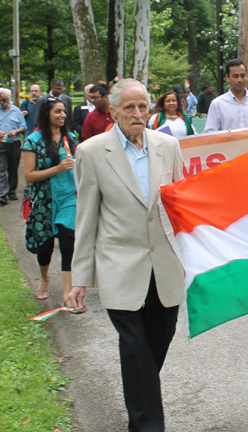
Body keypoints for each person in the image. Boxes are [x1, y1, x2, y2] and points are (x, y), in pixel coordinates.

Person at [68, 78, 185, 431]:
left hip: (164, 264)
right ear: (113, 110)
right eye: (129, 108)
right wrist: (80, 279)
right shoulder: (91, 152)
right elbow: (86, 218)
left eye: (143, 107)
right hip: (120, 265)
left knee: (157, 342)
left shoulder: (169, 145)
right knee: (134, 345)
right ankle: (147, 425)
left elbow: (180, 208)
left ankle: (142, 400)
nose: (137, 114)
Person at [21, 97, 82, 309]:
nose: (63, 115)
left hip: (69, 198)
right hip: (44, 200)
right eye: (57, 111)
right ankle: (45, 279)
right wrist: (58, 168)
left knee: (68, 243)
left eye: (64, 111)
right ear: (46, 113)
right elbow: (29, 176)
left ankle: (67, 294)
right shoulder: (32, 141)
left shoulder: (71, 138)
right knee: (45, 248)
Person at [204, 59, 248, 132]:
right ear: (227, 77)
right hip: (228, 143)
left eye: (242, 76)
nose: (240, 80)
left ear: (246, 76)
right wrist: (221, 134)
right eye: (235, 76)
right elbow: (209, 132)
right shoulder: (217, 104)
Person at [0, 88, 27, 205]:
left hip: (14, 143)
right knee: (1, 168)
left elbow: (23, 127)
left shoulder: (16, 111)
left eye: (4, 100)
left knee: (13, 167)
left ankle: (12, 191)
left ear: (8, 99)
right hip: (1, 143)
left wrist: (16, 131)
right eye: (0, 100)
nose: (1, 102)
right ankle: (2, 194)